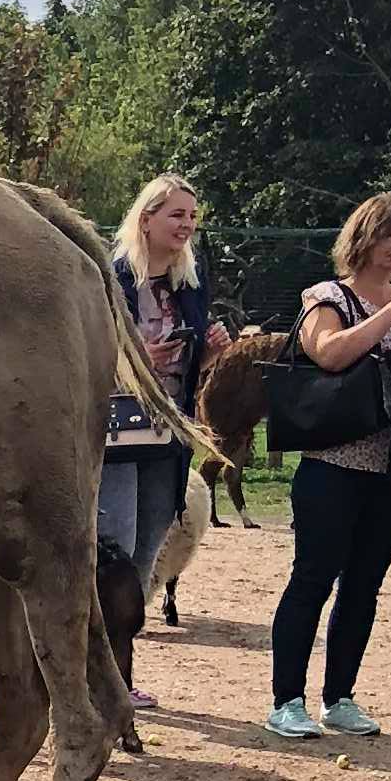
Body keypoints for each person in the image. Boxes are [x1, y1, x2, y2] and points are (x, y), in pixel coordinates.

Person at [266, 191, 391, 742]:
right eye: (388, 233)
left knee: (363, 587)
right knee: (312, 579)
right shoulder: (327, 296)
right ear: (363, 237)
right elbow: (329, 352)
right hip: (332, 465)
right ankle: (286, 701)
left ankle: (339, 697)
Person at [102, 172, 228, 699]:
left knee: (146, 557)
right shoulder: (109, 277)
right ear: (146, 218)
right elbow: (82, 352)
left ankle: (118, 677)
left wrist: (210, 351)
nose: (187, 225)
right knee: (114, 551)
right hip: (112, 437)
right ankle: (96, 676)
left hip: (167, 436)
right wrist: (134, 361)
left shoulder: (190, 285)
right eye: (177, 215)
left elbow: (187, 370)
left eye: (192, 217)